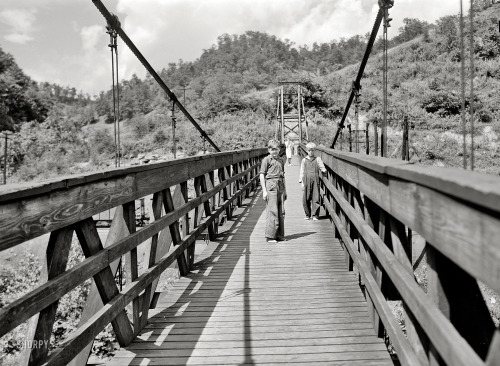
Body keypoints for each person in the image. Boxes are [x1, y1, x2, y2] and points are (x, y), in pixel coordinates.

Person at [260, 139, 287, 242]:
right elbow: (262, 175)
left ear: (279, 149)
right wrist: (264, 191)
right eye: (272, 149)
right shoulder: (266, 160)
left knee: (281, 211)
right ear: (269, 150)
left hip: (280, 185)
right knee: (272, 211)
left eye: (276, 149)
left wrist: (285, 191)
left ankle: (279, 235)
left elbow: (283, 175)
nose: (274, 152)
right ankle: (270, 236)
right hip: (271, 185)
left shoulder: (281, 160)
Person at [299, 142, 326, 221]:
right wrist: (301, 181)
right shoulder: (304, 160)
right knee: (306, 198)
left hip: (315, 180)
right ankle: (307, 214)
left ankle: (315, 215)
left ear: (315, 151)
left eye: (312, 150)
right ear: (307, 151)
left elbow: (321, 166)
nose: (311, 152)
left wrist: (323, 170)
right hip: (306, 179)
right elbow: (302, 171)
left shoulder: (317, 159)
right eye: (309, 150)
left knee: (315, 197)